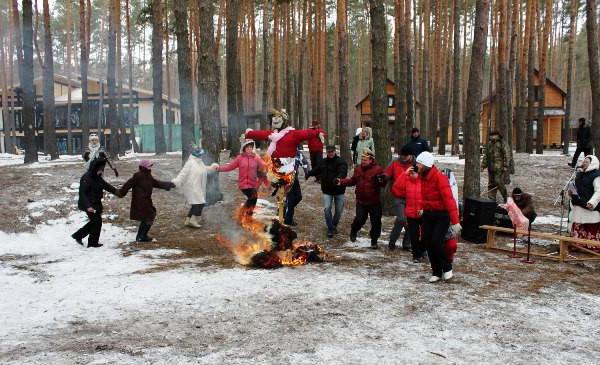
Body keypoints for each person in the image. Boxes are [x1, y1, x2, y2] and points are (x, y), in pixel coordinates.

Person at [416, 151, 461, 282]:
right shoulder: (422, 177)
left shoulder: (440, 178)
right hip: (428, 214)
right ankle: (436, 271)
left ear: (425, 165)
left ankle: (447, 268)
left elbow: (449, 200)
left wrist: (455, 221)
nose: (416, 166)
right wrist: (423, 208)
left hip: (442, 215)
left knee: (437, 241)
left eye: (419, 164)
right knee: (427, 241)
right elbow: (423, 195)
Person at [337, 149, 387, 249]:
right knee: (359, 219)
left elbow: (383, 184)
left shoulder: (378, 169)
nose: (363, 161)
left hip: (374, 201)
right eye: (362, 159)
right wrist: (341, 181)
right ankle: (353, 231)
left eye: (365, 159)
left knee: (376, 222)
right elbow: (352, 181)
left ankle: (374, 240)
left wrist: (382, 180)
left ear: (371, 160)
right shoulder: (358, 169)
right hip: (361, 201)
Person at [118, 160, 175, 242]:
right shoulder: (138, 176)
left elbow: (157, 183)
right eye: (148, 165)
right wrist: (121, 192)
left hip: (146, 201)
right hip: (139, 202)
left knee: (147, 217)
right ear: (143, 167)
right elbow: (128, 184)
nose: (150, 167)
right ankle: (142, 236)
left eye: (150, 165)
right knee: (149, 216)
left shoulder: (148, 176)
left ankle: (140, 236)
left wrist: (169, 184)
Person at [72, 158, 121, 248]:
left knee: (95, 222)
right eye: (100, 169)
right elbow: (82, 193)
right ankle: (92, 243)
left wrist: (117, 192)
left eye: (102, 169)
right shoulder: (86, 178)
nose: (101, 171)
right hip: (88, 204)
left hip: (96, 203)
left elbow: (106, 186)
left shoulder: (97, 178)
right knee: (97, 222)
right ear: (95, 168)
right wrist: (88, 206)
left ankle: (79, 236)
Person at [213, 139, 267, 216]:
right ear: (244, 148)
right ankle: (244, 213)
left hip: (253, 184)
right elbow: (230, 167)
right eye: (247, 147)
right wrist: (219, 169)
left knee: (253, 199)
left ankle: (247, 214)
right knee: (253, 197)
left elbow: (262, 170)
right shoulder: (240, 158)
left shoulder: (256, 158)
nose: (249, 149)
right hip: (243, 184)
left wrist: (262, 179)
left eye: (251, 147)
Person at [306, 145, 348, 238]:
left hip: (339, 190)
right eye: (329, 152)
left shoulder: (341, 161)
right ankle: (330, 229)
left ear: (335, 151)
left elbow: (343, 172)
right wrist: (309, 174)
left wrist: (338, 178)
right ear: (327, 152)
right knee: (327, 209)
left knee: (339, 211)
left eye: (332, 151)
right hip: (327, 190)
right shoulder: (323, 162)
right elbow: (316, 170)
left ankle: (333, 225)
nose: (330, 153)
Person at [172, 145, 210, 228]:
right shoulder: (190, 163)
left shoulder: (200, 162)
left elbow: (204, 169)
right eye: (201, 154)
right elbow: (183, 173)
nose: (202, 155)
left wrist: (212, 168)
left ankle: (188, 220)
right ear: (197, 154)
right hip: (192, 187)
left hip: (198, 186)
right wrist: (176, 181)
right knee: (200, 203)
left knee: (196, 204)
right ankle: (193, 220)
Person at [392, 158, 424, 261]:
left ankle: (423, 251)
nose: (411, 175)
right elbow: (396, 187)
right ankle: (416, 256)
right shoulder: (407, 181)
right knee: (413, 235)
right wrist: (404, 174)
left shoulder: (423, 181)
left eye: (412, 173)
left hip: (422, 212)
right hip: (410, 212)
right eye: (410, 173)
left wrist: (424, 208)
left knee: (424, 234)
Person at [385, 146, 414, 250]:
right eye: (401, 155)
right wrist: (384, 176)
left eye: (405, 156)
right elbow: (387, 173)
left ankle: (406, 244)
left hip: (412, 197)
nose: (403, 157)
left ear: (410, 155)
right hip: (398, 196)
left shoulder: (415, 164)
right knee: (401, 219)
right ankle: (392, 241)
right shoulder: (395, 163)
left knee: (411, 221)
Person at [569, 155, 600, 241]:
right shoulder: (579, 174)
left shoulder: (596, 175)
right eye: (584, 161)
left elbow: (599, 191)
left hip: (589, 205)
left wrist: (592, 202)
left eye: (587, 162)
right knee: (578, 224)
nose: (584, 163)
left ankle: (590, 246)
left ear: (592, 163)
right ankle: (576, 244)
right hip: (579, 203)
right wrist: (572, 192)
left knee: (590, 225)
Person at [284, 148, 310, 226]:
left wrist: (307, 172)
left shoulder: (297, 153)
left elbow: (304, 162)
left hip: (295, 179)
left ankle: (284, 208)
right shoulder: (283, 151)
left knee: (298, 197)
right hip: (286, 180)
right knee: (291, 200)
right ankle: (288, 220)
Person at [481, 130, 509, 202]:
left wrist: (505, 166)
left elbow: (507, 155)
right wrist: (483, 166)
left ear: (497, 135)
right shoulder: (489, 144)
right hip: (491, 167)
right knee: (491, 184)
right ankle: (491, 199)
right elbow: (486, 156)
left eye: (494, 135)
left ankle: (506, 197)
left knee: (498, 182)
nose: (492, 137)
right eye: (491, 135)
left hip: (499, 167)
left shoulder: (502, 143)